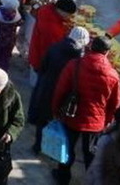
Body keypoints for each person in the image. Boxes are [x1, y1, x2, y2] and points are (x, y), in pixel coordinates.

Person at [50, 35, 120, 184]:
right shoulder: (113, 75)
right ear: (107, 52)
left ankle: (63, 177)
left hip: (72, 115)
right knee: (91, 154)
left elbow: (60, 90)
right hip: (96, 121)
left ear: (90, 47)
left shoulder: (74, 65)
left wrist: (56, 109)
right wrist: (106, 121)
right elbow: (114, 104)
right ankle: (91, 181)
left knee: (67, 148)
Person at [28, 25, 90, 155]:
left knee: (42, 119)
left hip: (47, 88)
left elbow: (43, 66)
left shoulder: (55, 47)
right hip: (65, 93)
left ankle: (37, 146)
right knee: (60, 123)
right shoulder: (79, 58)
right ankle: (53, 149)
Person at [28, 0, 78, 73]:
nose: (69, 17)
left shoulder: (46, 9)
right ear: (62, 11)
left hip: (35, 51)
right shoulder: (52, 28)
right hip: (42, 61)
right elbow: (56, 49)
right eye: (69, 15)